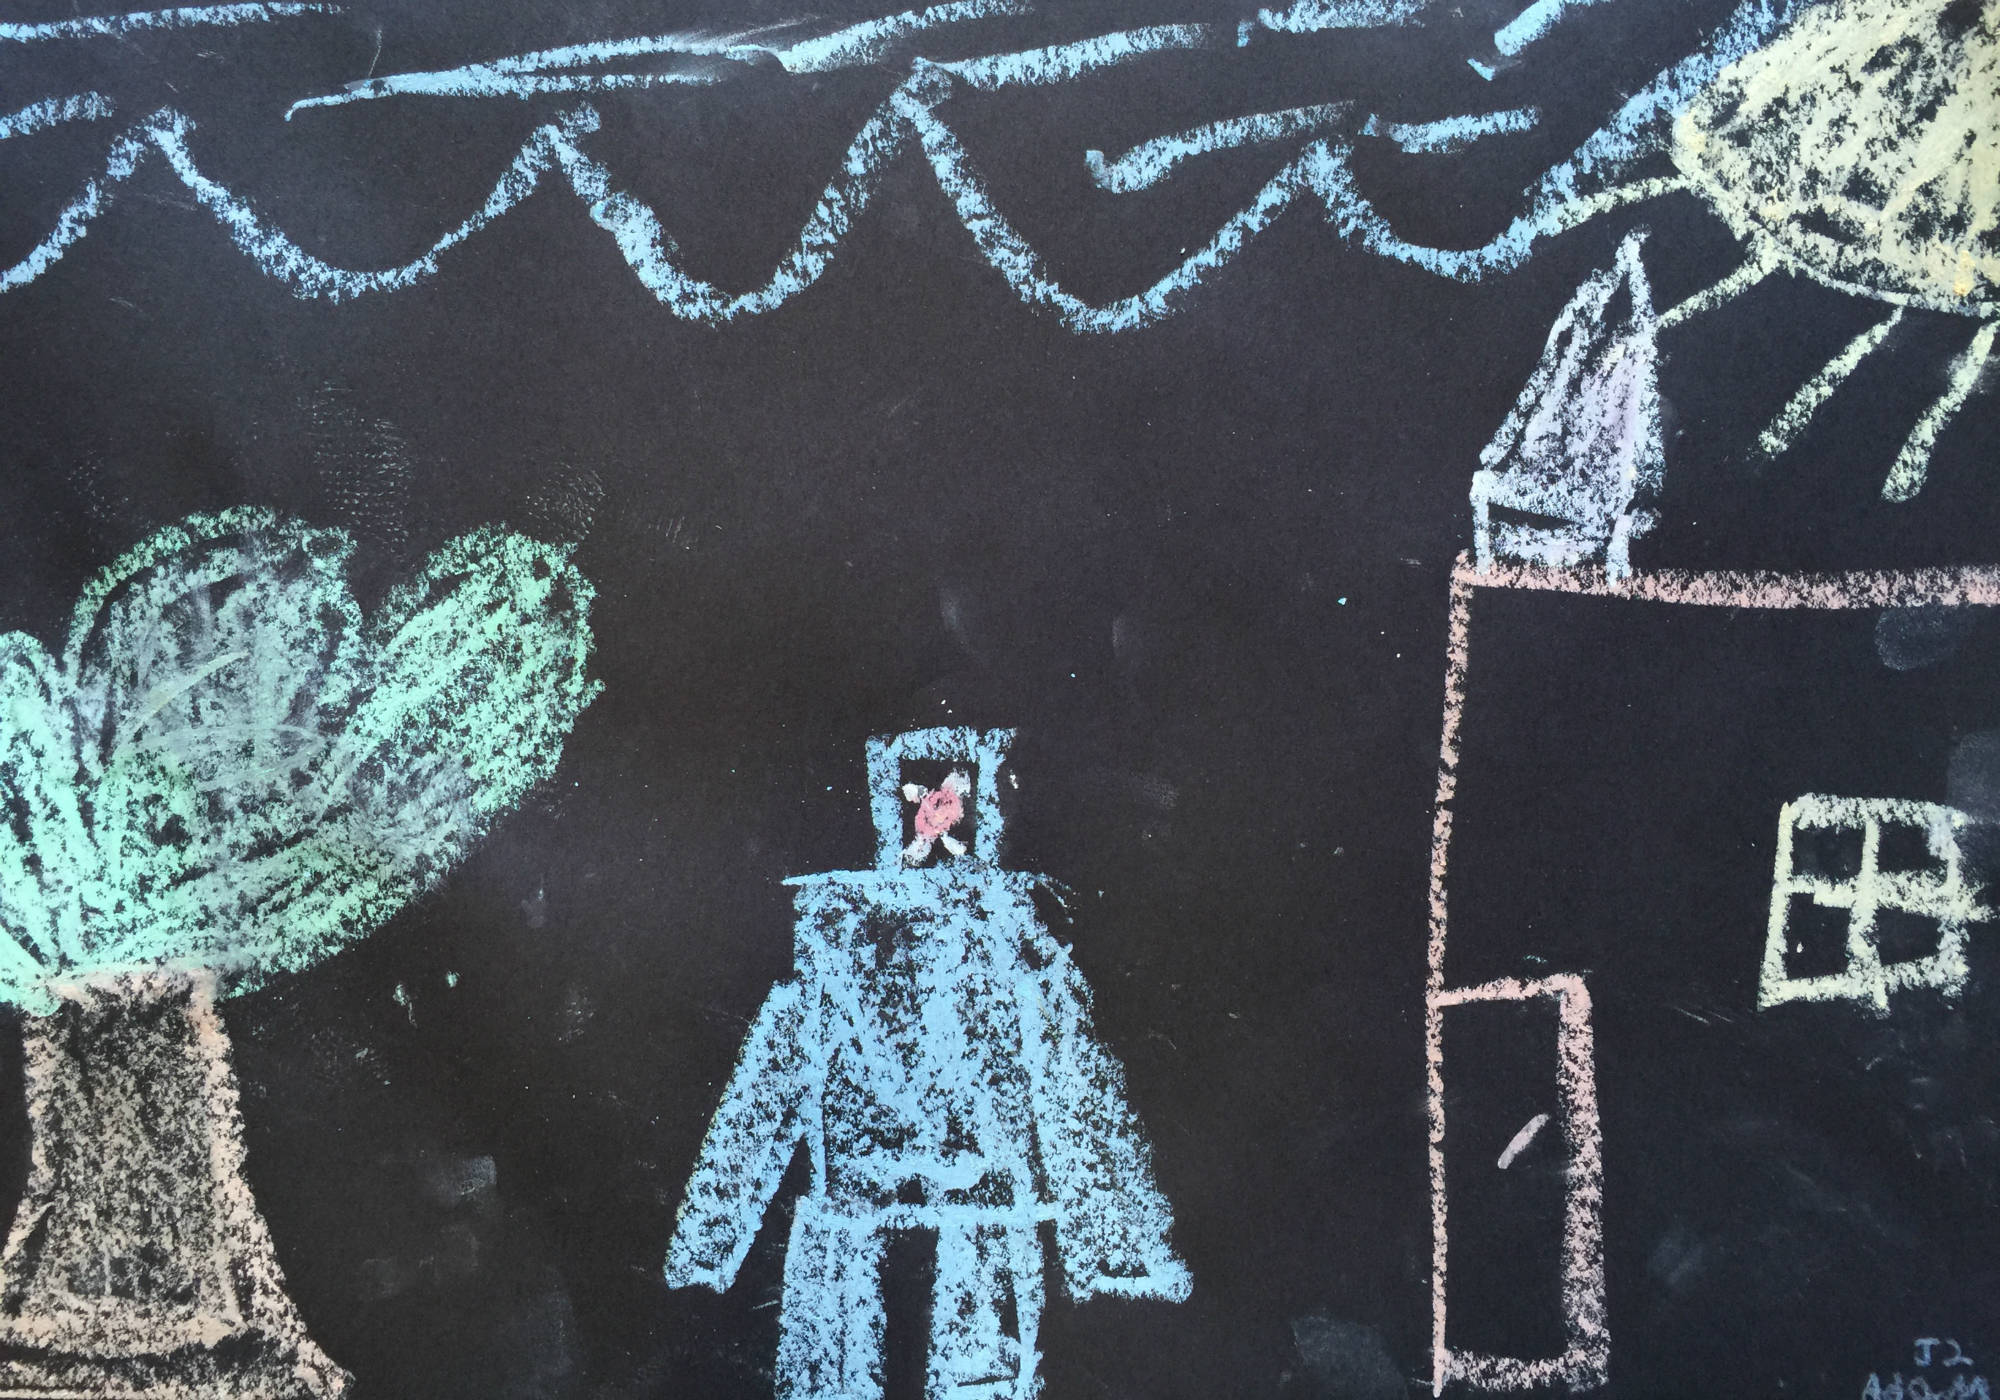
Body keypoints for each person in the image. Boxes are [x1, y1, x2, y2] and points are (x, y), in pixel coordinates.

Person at [665, 726, 1190, 1400]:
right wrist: (1118, 1249)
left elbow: (763, 1091)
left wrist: (706, 1246)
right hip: (927, 1241)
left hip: (893, 1243)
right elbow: (1073, 1082)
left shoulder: (848, 944)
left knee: (889, 1372)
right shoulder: (1007, 944)